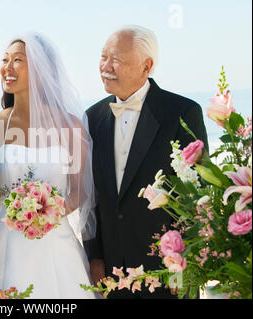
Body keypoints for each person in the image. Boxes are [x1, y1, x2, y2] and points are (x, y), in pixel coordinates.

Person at [84, 25, 208, 299]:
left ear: (146, 66)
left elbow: (195, 195)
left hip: (166, 270)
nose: (106, 66)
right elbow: (90, 197)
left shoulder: (183, 113)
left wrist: (184, 262)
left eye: (116, 59)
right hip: (111, 272)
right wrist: (94, 255)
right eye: (103, 57)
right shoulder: (92, 117)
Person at [0, 32, 98, 299]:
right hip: (5, 240)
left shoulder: (71, 126)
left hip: (55, 240)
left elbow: (79, 190)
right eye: (5, 59)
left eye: (17, 60)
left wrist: (47, 215)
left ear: (42, 70)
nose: (7, 68)